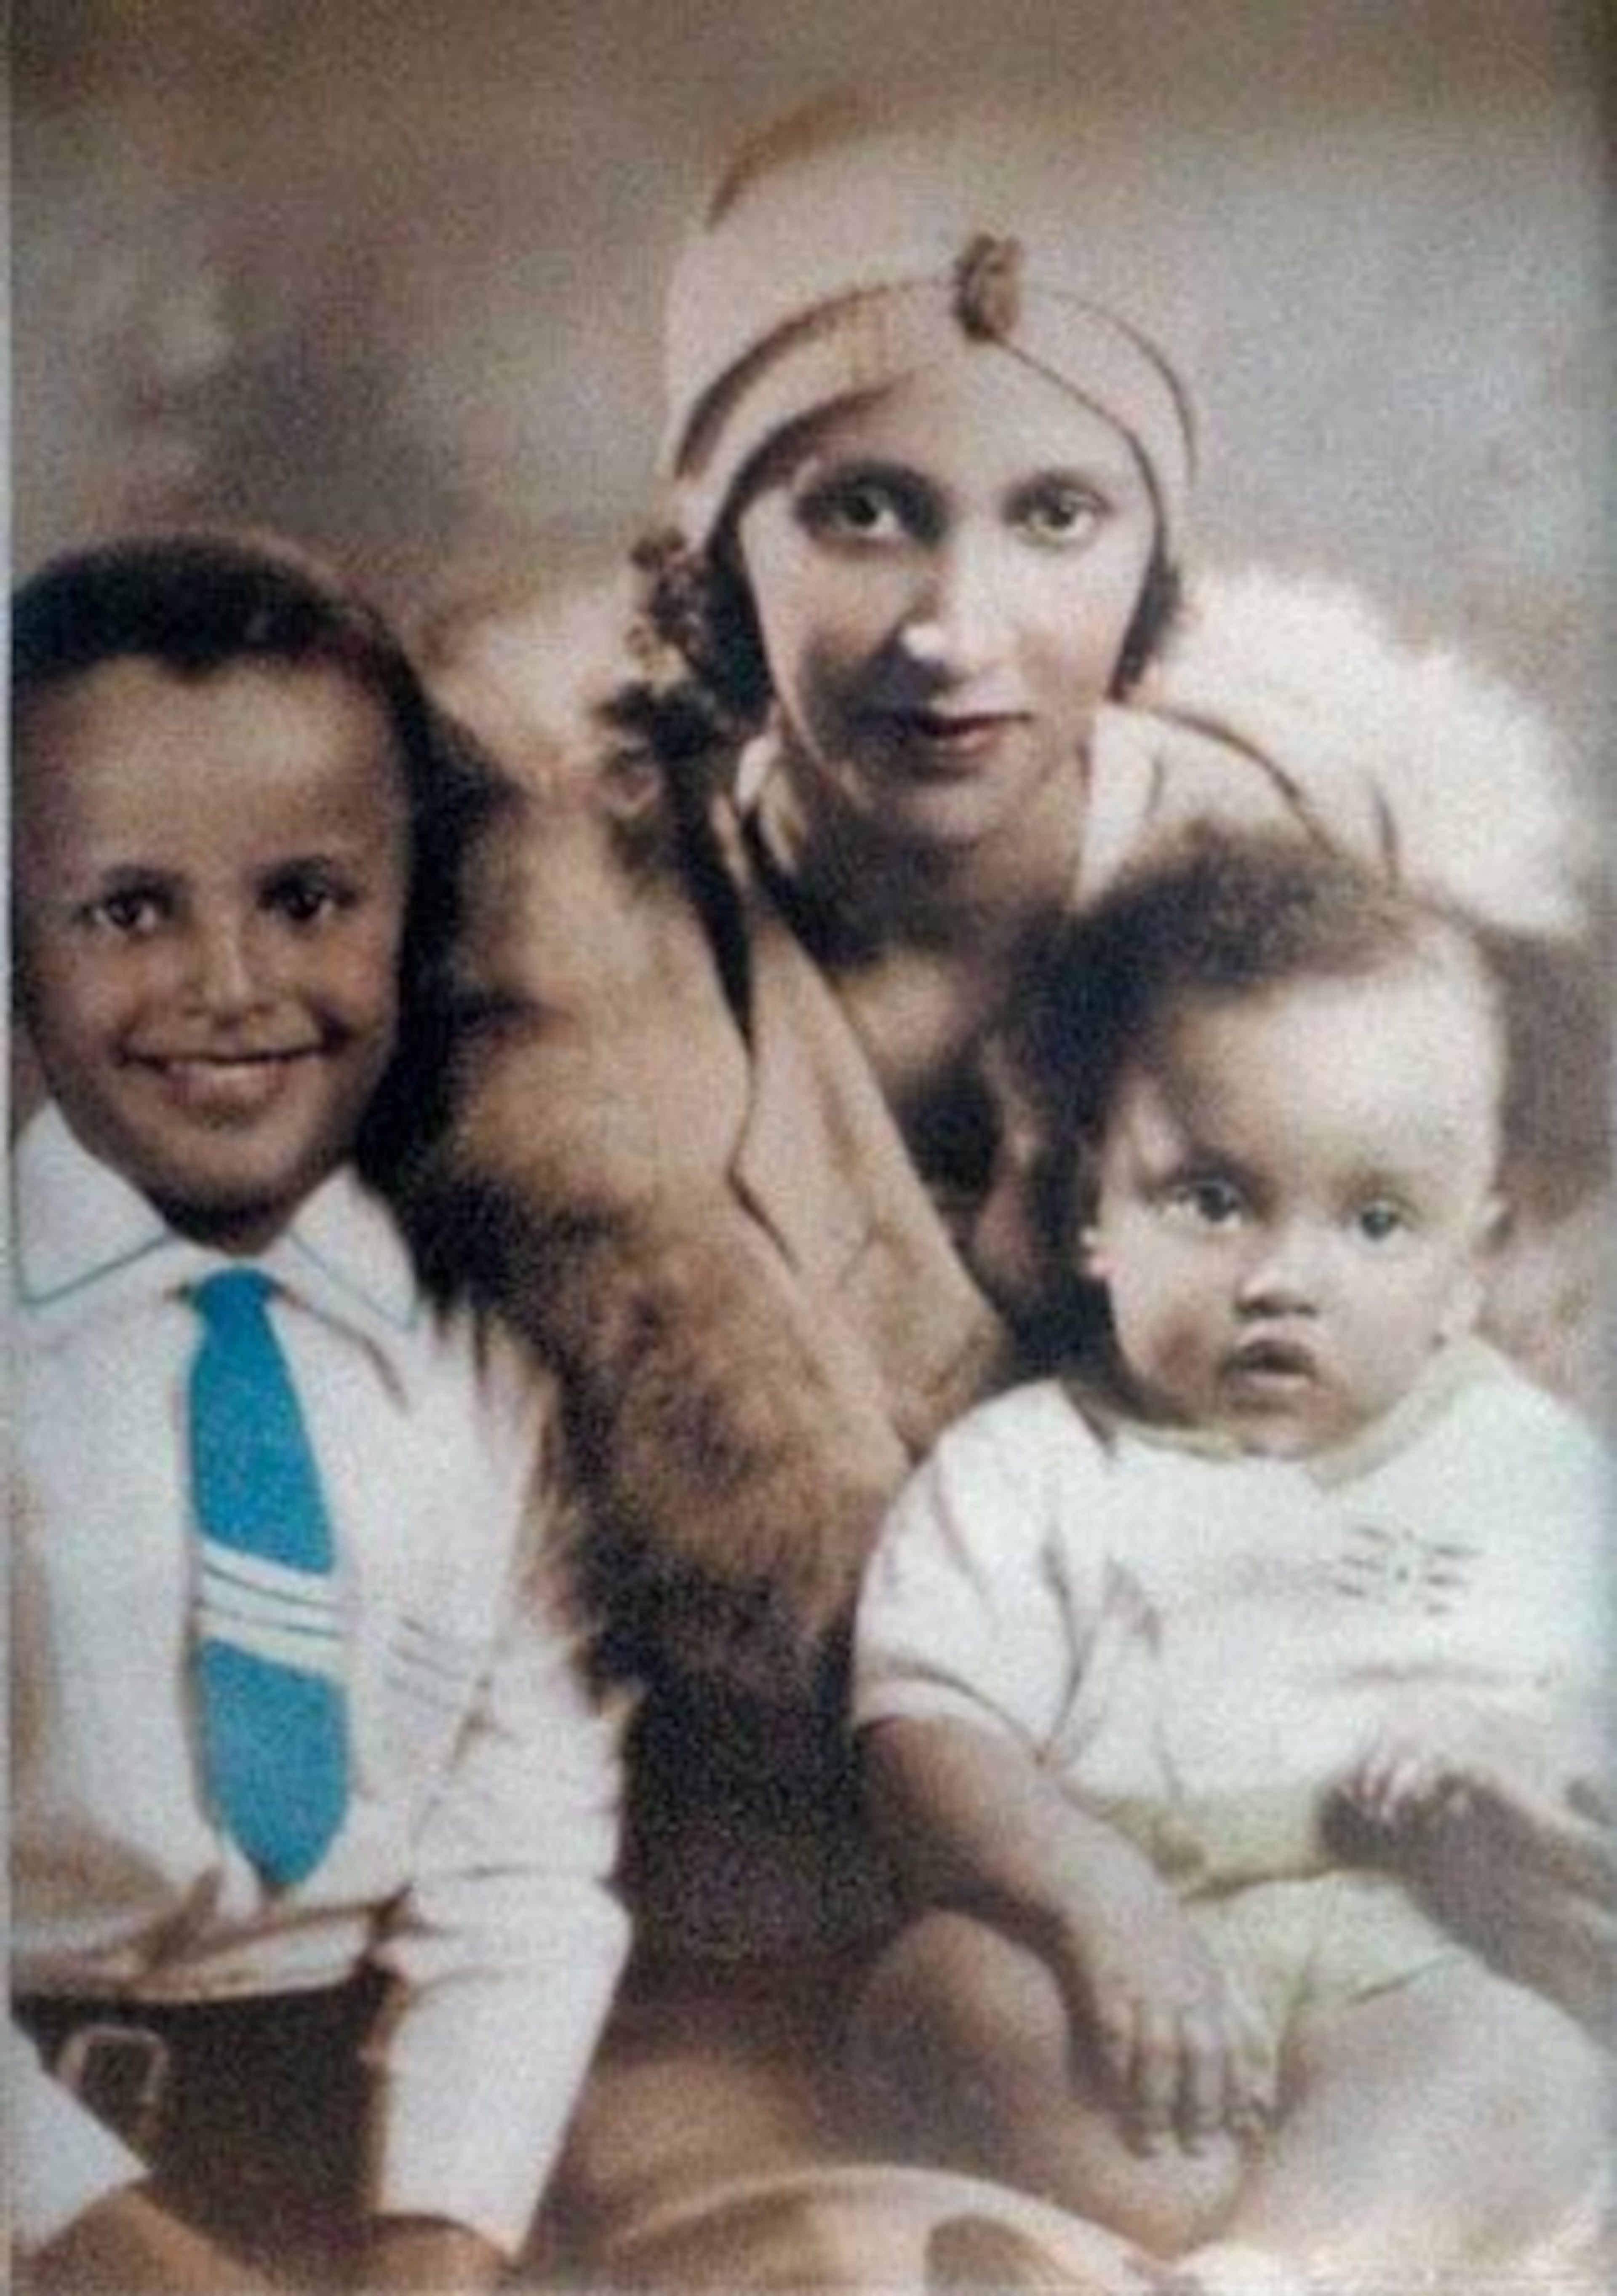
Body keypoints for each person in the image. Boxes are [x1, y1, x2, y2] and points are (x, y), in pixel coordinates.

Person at [399, 99, 1610, 2289]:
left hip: (1364, 1954)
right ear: (715, 547)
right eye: (863, 509)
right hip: (779, 1986)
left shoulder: (1355, 929)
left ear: (1150, 559)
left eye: (1056, 514)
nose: (956, 628)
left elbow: (1520, 1537)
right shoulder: (554, 982)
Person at [849, 834, 1611, 2293]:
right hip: (1119, 1957)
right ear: (1092, 1215)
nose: (1283, 1278)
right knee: (934, 1995)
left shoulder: (1527, 1466)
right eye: (1213, 1199)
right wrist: (1098, 1902)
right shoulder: (1031, 1465)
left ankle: (1260, 2269)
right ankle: (1228, 2238)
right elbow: (924, 1734)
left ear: (1473, 1260)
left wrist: (1508, 1742)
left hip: (1417, 1953)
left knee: (1534, 2063)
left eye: (1375, 1219)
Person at [9, 534, 629, 2295]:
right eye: (131, 908)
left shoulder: (483, 1354)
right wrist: (104, 2247)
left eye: (308, 899)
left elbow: (519, 1867)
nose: (230, 984)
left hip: (384, 2165)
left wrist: (430, 2254)